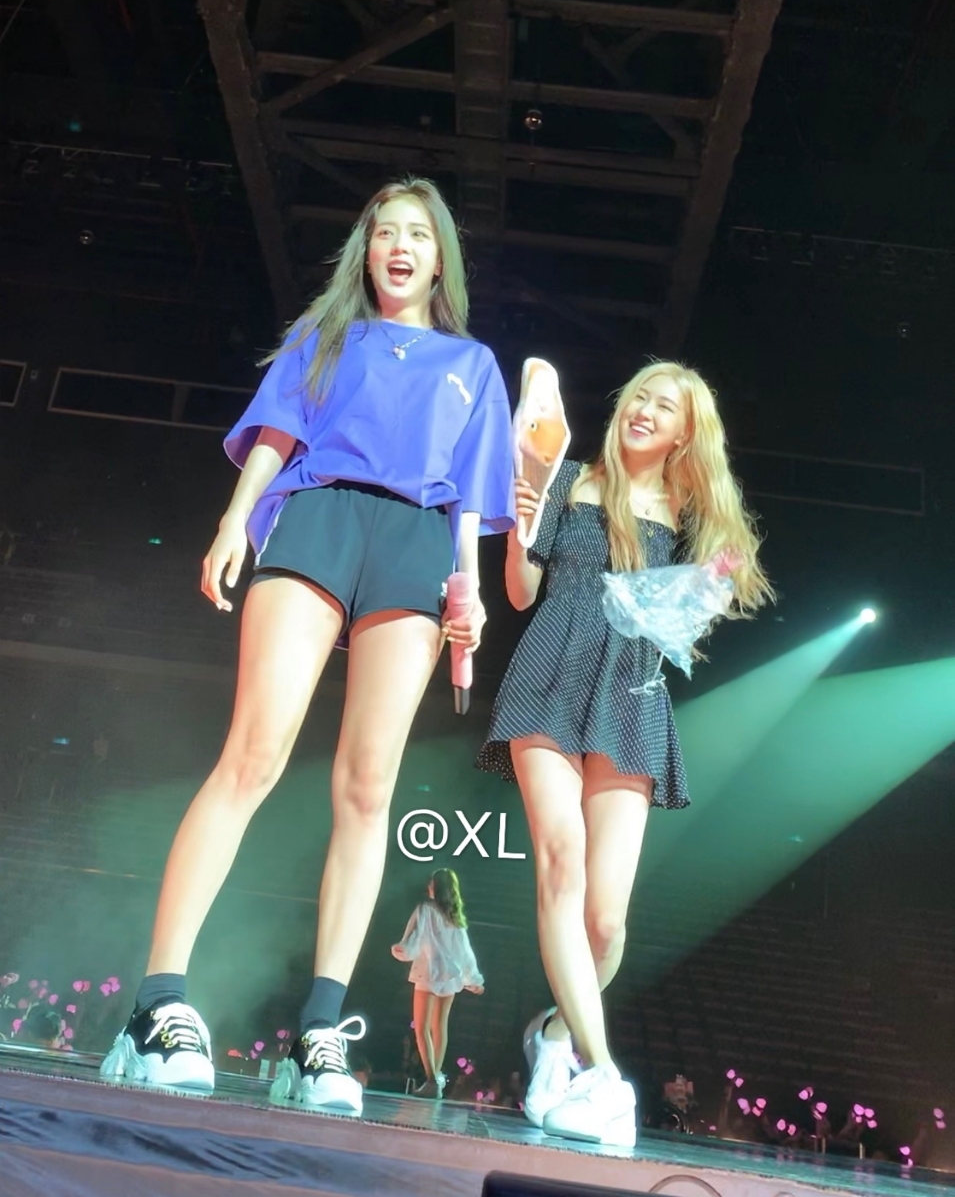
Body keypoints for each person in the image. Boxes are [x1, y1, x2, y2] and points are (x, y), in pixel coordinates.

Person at [101, 178, 513, 1115]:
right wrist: (232, 522)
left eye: (418, 234)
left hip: (414, 543)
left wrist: (469, 590)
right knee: (253, 756)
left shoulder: (472, 363)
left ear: (440, 259)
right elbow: (275, 437)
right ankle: (156, 1004)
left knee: (368, 789)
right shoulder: (325, 336)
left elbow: (468, 496)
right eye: (384, 232)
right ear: (366, 252)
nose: (400, 246)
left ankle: (319, 1032)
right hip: (319, 520)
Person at [479, 361, 772, 1147]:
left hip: (629, 693)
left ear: (683, 433)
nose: (643, 410)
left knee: (604, 921)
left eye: (663, 407)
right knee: (561, 861)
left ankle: (551, 1037)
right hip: (548, 676)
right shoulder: (568, 477)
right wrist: (520, 522)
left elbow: (708, 599)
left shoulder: (691, 513)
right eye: (639, 396)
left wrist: (701, 588)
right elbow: (520, 592)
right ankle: (603, 1075)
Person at [391, 867, 484, 1097]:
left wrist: (402, 950)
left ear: (437, 886)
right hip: (450, 975)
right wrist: (473, 978)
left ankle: (432, 1079)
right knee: (440, 1027)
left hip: (429, 971)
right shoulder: (455, 916)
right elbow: (465, 951)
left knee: (422, 1028)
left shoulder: (425, 909)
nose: (428, 886)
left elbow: (414, 938)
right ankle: (435, 1079)